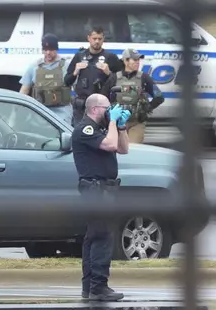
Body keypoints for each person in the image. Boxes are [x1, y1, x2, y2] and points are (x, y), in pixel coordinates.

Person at [71, 93, 130, 302]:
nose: (111, 110)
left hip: (105, 190)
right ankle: (98, 287)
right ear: (96, 109)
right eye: (108, 107)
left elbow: (123, 148)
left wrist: (121, 126)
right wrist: (113, 121)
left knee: (94, 237)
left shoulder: (102, 129)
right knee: (102, 237)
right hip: (95, 190)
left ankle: (90, 287)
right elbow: (110, 145)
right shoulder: (85, 128)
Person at [100, 48, 165, 143]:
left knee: (134, 150)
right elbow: (102, 98)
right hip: (117, 122)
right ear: (125, 61)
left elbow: (159, 97)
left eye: (138, 60)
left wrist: (145, 110)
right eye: (134, 60)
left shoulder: (144, 78)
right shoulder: (114, 78)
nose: (137, 62)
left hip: (136, 123)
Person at [64, 27, 123, 126]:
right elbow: (66, 81)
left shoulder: (110, 57)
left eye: (100, 39)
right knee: (78, 134)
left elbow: (121, 83)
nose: (97, 41)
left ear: (103, 39)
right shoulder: (79, 56)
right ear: (89, 38)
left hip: (101, 105)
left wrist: (109, 73)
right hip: (81, 106)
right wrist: (75, 72)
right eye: (94, 38)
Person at [19, 33, 73, 124]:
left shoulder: (67, 66)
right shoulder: (34, 67)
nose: (48, 52)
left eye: (51, 49)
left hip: (62, 114)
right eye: (45, 49)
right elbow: (24, 91)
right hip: (40, 114)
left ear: (56, 49)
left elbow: (77, 88)